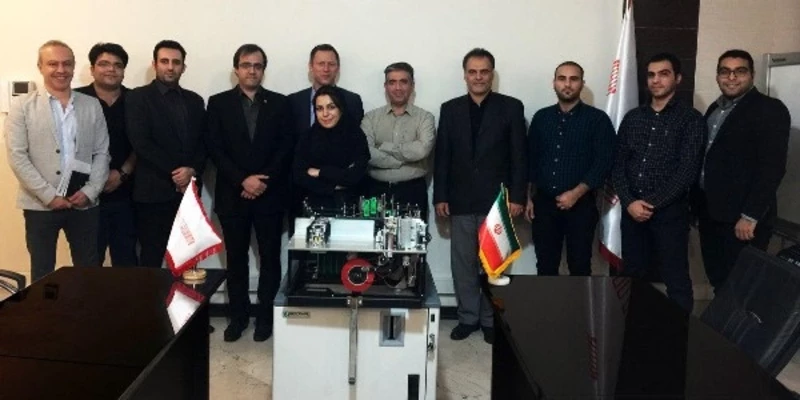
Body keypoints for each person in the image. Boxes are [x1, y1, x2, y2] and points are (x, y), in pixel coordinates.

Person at [434, 48, 527, 344]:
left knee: (495, 265)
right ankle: (467, 318)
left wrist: (518, 196)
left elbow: (519, 156)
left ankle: (491, 319)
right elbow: (443, 155)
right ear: (464, 75)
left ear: (492, 74)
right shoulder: (450, 109)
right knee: (462, 264)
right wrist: (440, 195)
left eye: (484, 71)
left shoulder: (511, 107)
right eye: (472, 72)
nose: (478, 77)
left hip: (498, 201)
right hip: (460, 199)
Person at [206, 44, 294, 342]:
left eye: (257, 65)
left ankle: (266, 318)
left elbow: (285, 147)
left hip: (270, 195)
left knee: (270, 259)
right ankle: (238, 317)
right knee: (236, 260)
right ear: (236, 69)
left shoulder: (280, 103)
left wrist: (261, 181)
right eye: (246, 65)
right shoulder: (218, 103)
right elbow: (215, 148)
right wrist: (243, 180)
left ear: (263, 70)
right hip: (232, 196)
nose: (252, 70)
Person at [4, 40, 109, 281]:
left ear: (73, 67)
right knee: (42, 272)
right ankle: (45, 309)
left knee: (88, 270)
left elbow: (102, 152)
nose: (61, 70)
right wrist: (49, 196)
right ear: (40, 67)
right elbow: (17, 156)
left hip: (83, 202)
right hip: (39, 204)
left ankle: (84, 308)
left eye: (67, 64)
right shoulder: (22, 106)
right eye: (53, 64)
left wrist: (91, 191)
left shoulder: (92, 105)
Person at [611, 53, 704, 312]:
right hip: (632, 211)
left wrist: (650, 204)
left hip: (670, 213)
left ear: (678, 78)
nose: (656, 80)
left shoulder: (691, 119)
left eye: (664, 74)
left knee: (676, 277)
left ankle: (679, 332)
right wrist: (630, 202)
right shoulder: (633, 118)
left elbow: (687, 171)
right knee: (632, 275)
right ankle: (633, 326)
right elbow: (618, 165)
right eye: (651, 75)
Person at [695, 49, 790, 290]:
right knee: (718, 279)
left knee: (741, 286)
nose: (731, 77)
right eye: (725, 71)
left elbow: (772, 167)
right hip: (711, 213)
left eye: (739, 71)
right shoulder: (715, 109)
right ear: (717, 76)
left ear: (752, 75)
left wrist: (750, 216)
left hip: (742, 220)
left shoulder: (769, 109)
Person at [525, 61, 615, 276]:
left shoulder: (597, 120)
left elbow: (604, 162)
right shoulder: (541, 117)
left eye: (573, 79)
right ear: (554, 83)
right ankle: (550, 301)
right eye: (562, 78)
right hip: (544, 205)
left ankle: (579, 302)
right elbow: (530, 159)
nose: (567, 84)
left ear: (582, 83)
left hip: (581, 205)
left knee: (580, 266)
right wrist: (527, 196)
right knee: (545, 266)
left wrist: (576, 193)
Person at [127, 40, 207, 268]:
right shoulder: (138, 97)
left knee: (187, 260)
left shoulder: (195, 100)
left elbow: (204, 142)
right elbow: (141, 143)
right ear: (154, 64)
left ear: (184, 67)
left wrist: (192, 170)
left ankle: (183, 294)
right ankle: (151, 295)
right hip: (153, 192)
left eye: (176, 62)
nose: (170, 67)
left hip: (188, 192)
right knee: (152, 257)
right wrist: (177, 173)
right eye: (164, 61)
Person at [287, 44, 364, 231]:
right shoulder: (292, 102)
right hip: (304, 199)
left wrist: (320, 172)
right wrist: (333, 184)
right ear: (311, 66)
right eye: (321, 63)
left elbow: (356, 170)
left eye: (331, 64)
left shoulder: (353, 101)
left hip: (346, 203)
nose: (326, 69)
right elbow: (297, 168)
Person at [75, 42, 138, 267]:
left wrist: (123, 173)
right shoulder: (76, 99)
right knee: (89, 262)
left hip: (128, 192)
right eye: (104, 64)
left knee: (127, 261)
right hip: (86, 194)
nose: (111, 69)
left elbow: (144, 142)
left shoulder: (137, 100)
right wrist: (96, 180)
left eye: (117, 65)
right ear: (92, 69)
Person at [362, 62, 435, 219]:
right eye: (392, 82)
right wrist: (404, 160)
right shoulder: (370, 118)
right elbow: (366, 152)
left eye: (403, 82)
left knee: (414, 235)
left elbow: (422, 150)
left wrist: (384, 147)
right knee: (372, 234)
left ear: (412, 85)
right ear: (385, 86)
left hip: (413, 192)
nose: (398, 88)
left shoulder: (425, 118)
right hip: (374, 191)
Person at [293, 85, 369, 212]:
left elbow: (355, 176)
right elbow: (299, 176)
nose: (325, 114)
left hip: (351, 207)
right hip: (314, 207)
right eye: (319, 108)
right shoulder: (308, 138)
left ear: (341, 108)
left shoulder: (355, 136)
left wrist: (320, 172)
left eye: (331, 107)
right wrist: (336, 183)